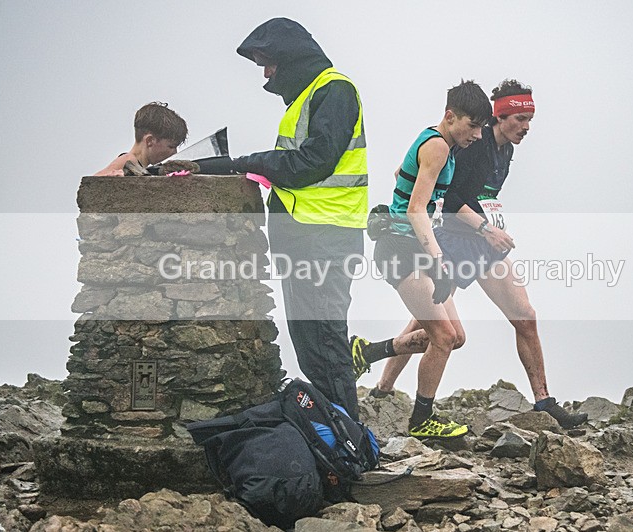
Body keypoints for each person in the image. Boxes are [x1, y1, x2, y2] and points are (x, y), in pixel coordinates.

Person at [353, 80, 588, 430]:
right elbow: (439, 199)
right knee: (441, 331)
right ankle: (400, 399)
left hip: (464, 243)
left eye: (530, 121)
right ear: (500, 116)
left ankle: (543, 401)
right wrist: (482, 230)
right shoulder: (457, 146)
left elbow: (418, 183)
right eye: (520, 119)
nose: (526, 128)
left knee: (513, 317)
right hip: (445, 240)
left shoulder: (500, 147)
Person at [197, 18, 368, 420]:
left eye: (267, 62)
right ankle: (336, 438)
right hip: (306, 235)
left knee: (325, 341)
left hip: (325, 235)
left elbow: (313, 161)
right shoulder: (309, 96)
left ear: (290, 57)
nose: (266, 73)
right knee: (310, 343)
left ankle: (349, 443)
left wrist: (245, 162)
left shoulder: (335, 89)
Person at [372, 80, 491, 439]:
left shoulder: (441, 146)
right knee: (443, 336)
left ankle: (368, 352)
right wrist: (438, 261)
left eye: (482, 127)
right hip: (400, 249)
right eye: (473, 125)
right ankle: (422, 420)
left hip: (413, 248)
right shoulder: (438, 146)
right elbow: (414, 209)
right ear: (450, 116)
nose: (479, 135)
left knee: (456, 337)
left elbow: (400, 176)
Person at [94, 102, 187, 176]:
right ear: (150, 141)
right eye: (171, 147)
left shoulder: (139, 166)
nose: (175, 153)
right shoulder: (128, 161)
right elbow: (93, 182)